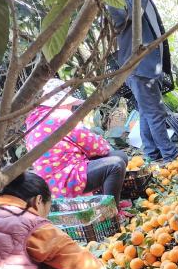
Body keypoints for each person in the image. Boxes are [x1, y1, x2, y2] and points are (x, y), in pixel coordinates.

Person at [25, 78, 129, 208]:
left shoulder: (35, 120)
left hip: (51, 182)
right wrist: (105, 147)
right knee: (116, 165)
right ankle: (110, 211)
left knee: (119, 156)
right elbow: (97, 146)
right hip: (65, 180)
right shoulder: (62, 117)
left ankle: (106, 201)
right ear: (62, 103)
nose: (70, 106)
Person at [108, 0, 178, 164]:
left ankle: (152, 153)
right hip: (138, 65)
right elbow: (128, 15)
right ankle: (170, 155)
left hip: (147, 63)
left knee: (148, 112)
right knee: (155, 112)